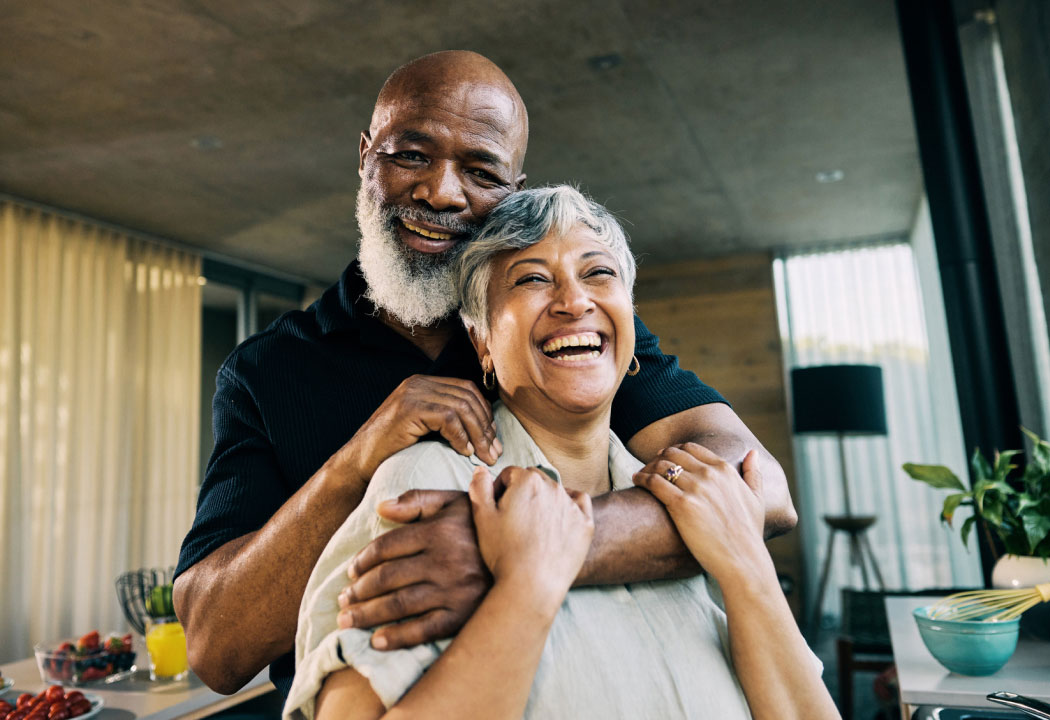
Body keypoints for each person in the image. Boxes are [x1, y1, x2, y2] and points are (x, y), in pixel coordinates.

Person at [173, 50, 797, 698]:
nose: (442, 192)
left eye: (480, 170)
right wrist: (353, 464)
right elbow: (215, 648)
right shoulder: (267, 369)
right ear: (366, 159)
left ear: (513, 188)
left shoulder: (560, 335)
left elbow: (759, 488)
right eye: (411, 155)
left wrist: (511, 552)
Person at [284, 186, 837, 720]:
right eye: (531, 280)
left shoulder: (695, 495)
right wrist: (527, 586)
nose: (574, 301)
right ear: (482, 344)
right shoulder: (425, 485)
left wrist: (745, 565)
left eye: (598, 273)